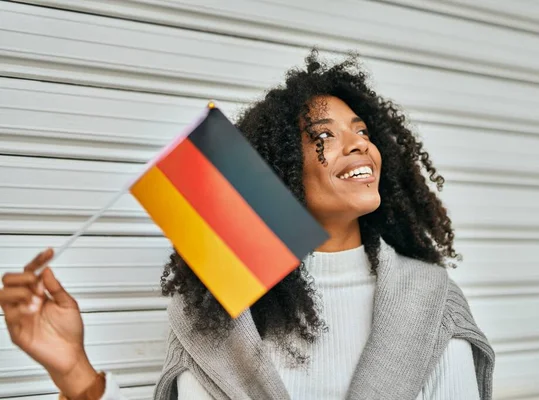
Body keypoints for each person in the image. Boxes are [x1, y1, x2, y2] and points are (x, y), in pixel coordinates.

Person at [0, 51, 494, 400]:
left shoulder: (430, 299)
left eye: (361, 132)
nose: (359, 144)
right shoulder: (215, 312)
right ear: (280, 168)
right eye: (324, 135)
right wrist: (75, 374)